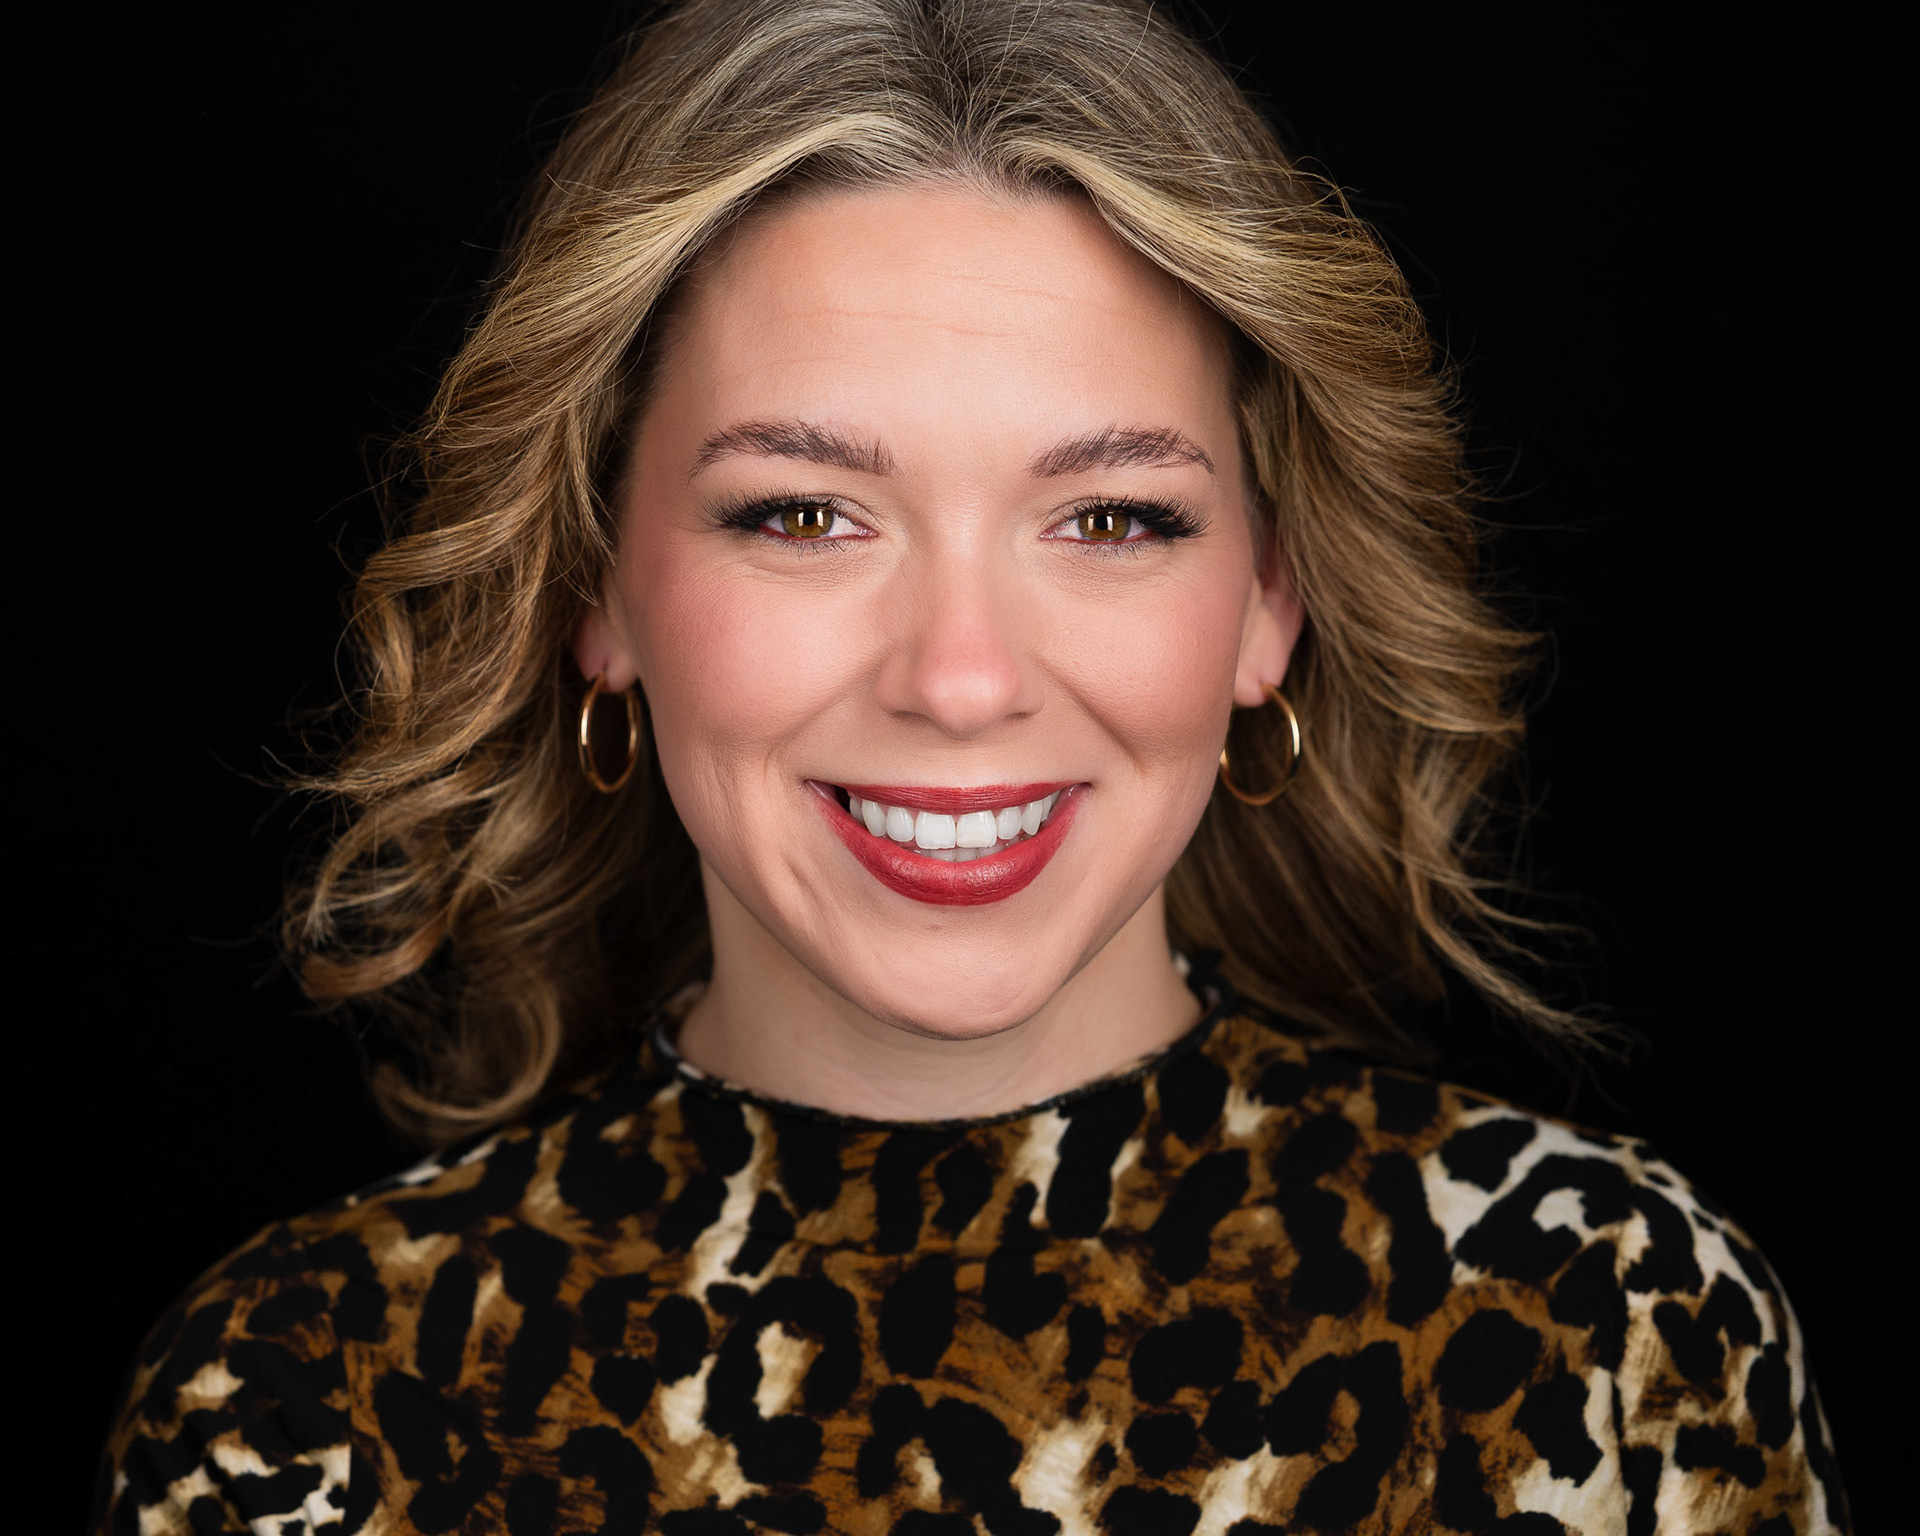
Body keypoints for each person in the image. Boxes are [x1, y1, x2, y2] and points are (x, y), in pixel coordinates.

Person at [91, 0, 1848, 1530]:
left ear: (1272, 602)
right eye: (803, 514)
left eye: (1112, 518)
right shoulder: (308, 1398)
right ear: (595, 586)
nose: (960, 678)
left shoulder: (1609, 1322)